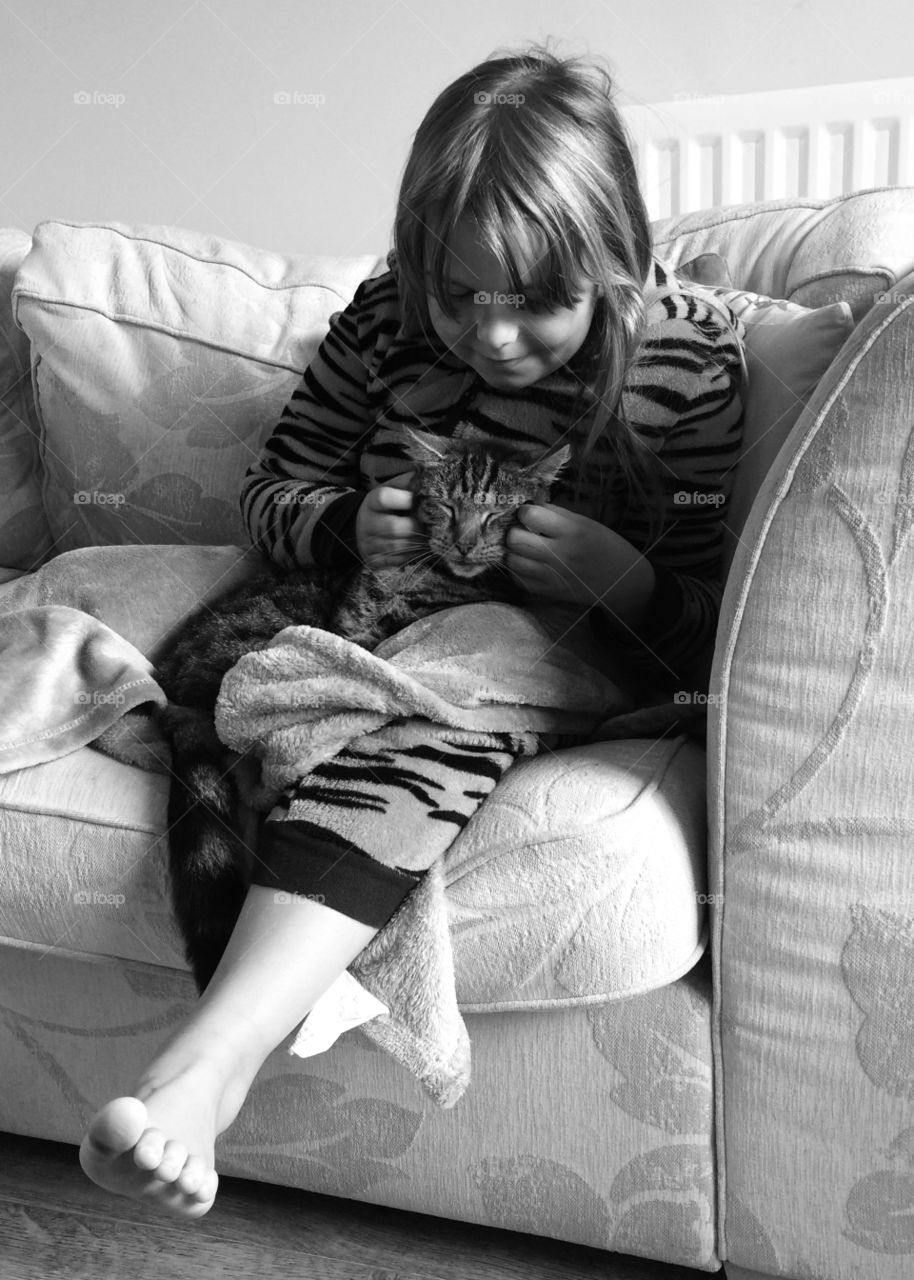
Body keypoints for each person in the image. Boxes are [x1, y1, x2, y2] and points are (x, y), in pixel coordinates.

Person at [79, 43, 745, 1218]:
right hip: (370, 622)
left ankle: (210, 1065)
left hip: (535, 653)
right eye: (457, 297)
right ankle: (199, 1068)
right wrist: (342, 519)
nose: (492, 338)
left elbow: (717, 635)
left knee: (440, 705)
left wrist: (629, 582)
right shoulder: (384, 318)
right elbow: (268, 495)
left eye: (537, 302)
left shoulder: (685, 358)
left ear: (611, 259)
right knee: (330, 694)